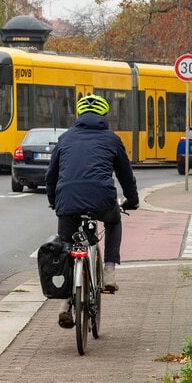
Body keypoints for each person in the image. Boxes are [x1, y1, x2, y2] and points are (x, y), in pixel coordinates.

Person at [45, 93, 139, 329]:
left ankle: (66, 302)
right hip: (101, 199)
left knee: (67, 245)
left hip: (67, 200)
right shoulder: (112, 139)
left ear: (79, 115)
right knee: (113, 222)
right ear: (104, 116)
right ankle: (109, 272)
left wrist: (54, 202)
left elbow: (51, 176)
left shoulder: (65, 138)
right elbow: (125, 175)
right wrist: (132, 200)